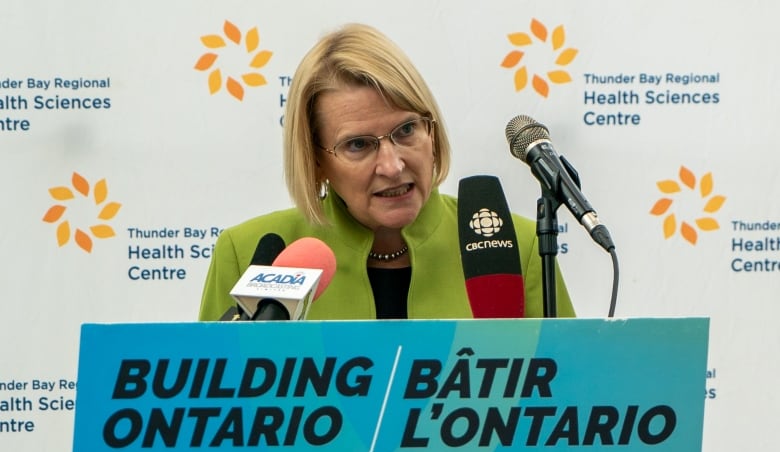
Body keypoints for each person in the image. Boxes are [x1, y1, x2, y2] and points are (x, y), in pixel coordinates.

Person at [198, 23, 574, 322]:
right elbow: (209, 409)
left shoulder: (517, 248)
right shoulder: (248, 254)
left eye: (407, 130)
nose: (393, 165)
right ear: (315, 160)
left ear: (432, 131)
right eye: (358, 145)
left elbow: (567, 404)